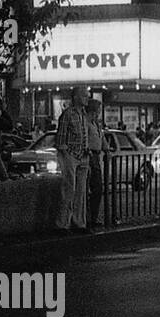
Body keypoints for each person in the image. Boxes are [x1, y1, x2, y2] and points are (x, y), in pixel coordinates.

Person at [54, 86, 91, 234]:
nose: (87, 98)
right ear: (76, 97)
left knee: (81, 192)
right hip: (71, 156)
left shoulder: (83, 115)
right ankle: (63, 224)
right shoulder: (68, 114)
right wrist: (67, 154)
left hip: (82, 156)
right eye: (84, 96)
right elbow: (61, 139)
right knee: (69, 190)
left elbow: (84, 135)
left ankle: (79, 222)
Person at [85, 99, 106, 229]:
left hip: (96, 156)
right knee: (92, 187)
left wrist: (106, 149)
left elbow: (102, 138)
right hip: (90, 155)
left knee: (97, 188)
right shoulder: (86, 123)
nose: (99, 113)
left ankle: (93, 216)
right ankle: (88, 218)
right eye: (98, 110)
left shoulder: (96, 124)